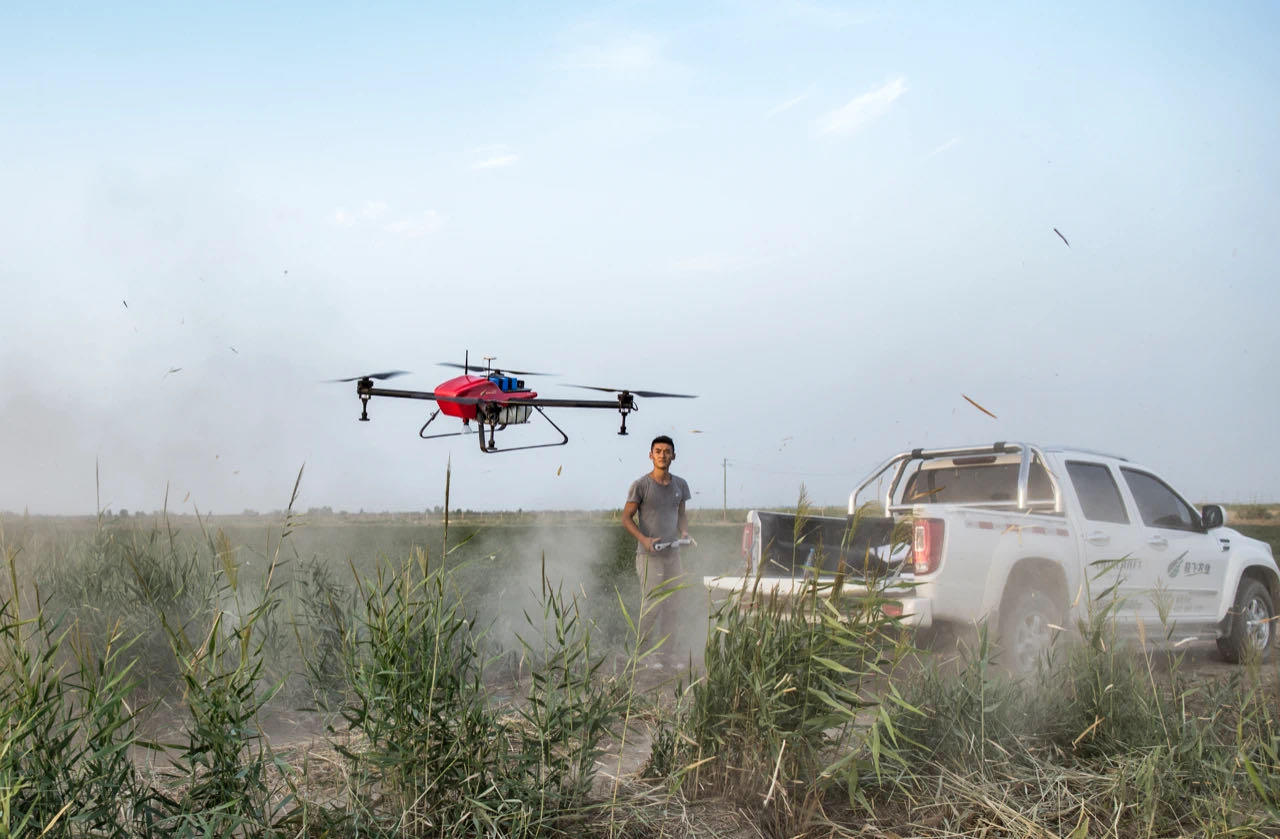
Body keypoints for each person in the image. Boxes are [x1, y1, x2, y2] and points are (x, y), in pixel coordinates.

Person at [622, 435, 691, 665]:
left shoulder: (680, 485)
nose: (663, 455)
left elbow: (681, 514)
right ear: (651, 455)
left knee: (673, 605)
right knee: (652, 606)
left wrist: (684, 533)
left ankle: (666, 655)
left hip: (673, 554)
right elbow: (626, 518)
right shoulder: (641, 485)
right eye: (658, 451)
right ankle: (641, 655)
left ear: (674, 456)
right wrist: (644, 540)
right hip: (649, 555)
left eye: (667, 451)